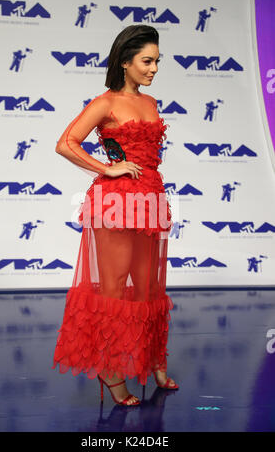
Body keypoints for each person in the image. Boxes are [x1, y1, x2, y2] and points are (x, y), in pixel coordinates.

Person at [51, 25, 179, 406]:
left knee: (148, 286)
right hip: (117, 204)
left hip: (150, 200)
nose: (154, 68)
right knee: (112, 289)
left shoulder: (152, 102)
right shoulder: (105, 102)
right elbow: (65, 143)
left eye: (157, 61)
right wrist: (106, 168)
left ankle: (153, 359)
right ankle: (111, 369)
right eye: (147, 61)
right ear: (125, 62)